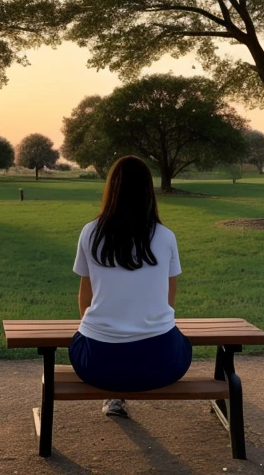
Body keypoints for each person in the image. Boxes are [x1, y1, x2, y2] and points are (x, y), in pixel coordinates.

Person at [70, 155, 191, 418]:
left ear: (111, 188)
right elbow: (168, 301)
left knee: (86, 339)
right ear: (149, 191)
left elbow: (85, 296)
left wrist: (100, 330)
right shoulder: (166, 237)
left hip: (97, 364)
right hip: (162, 362)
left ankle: (115, 395)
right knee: (181, 340)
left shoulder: (90, 233)